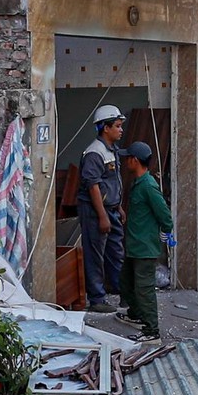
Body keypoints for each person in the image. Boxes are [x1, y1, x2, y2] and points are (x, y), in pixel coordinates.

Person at [118, 141, 171, 340]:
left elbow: (165, 215)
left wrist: (166, 232)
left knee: (144, 289)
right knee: (126, 282)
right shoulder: (138, 183)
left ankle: (151, 330)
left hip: (144, 248)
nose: (126, 161)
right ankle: (136, 313)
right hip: (134, 246)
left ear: (135, 160)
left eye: (128, 158)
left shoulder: (148, 186)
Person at [78, 105, 126, 314]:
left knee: (116, 252)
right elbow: (93, 186)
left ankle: (121, 291)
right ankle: (97, 298)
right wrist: (102, 216)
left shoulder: (111, 150)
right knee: (95, 254)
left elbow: (112, 182)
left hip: (111, 209)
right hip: (95, 211)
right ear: (105, 128)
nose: (121, 130)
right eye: (117, 126)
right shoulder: (94, 153)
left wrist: (118, 207)